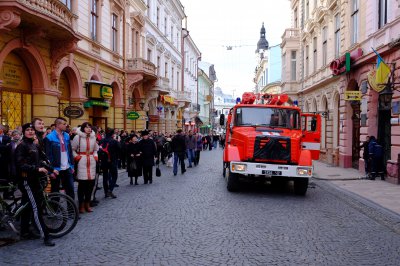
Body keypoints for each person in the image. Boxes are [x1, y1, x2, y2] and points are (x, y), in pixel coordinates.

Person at [15, 123, 57, 246]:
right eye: (27, 130)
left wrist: (51, 169)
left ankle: (25, 232)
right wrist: (36, 169)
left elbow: (40, 161)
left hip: (35, 180)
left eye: (32, 130)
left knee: (27, 207)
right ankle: (46, 236)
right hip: (27, 181)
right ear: (23, 132)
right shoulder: (22, 146)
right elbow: (20, 164)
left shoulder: (33, 144)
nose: (30, 132)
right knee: (36, 208)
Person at [71, 122, 99, 213]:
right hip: (82, 161)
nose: (88, 129)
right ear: (83, 128)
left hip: (91, 161)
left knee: (91, 185)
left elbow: (95, 149)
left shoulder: (93, 137)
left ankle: (87, 203)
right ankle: (81, 205)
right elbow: (73, 149)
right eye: (86, 127)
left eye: (90, 127)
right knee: (82, 185)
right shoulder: (77, 137)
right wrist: (76, 157)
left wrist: (95, 156)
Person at [45, 117, 75, 200]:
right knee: (55, 191)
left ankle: (71, 210)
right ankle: (55, 210)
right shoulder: (49, 137)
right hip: (56, 169)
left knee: (70, 190)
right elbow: (48, 156)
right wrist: (50, 170)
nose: (66, 126)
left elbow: (70, 152)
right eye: (64, 124)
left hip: (67, 167)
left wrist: (72, 165)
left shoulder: (67, 136)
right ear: (58, 125)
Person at [99, 128, 120, 198]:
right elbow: (119, 149)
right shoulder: (114, 141)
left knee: (105, 176)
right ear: (113, 134)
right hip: (112, 161)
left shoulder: (101, 141)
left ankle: (106, 192)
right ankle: (110, 190)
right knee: (114, 176)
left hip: (103, 161)